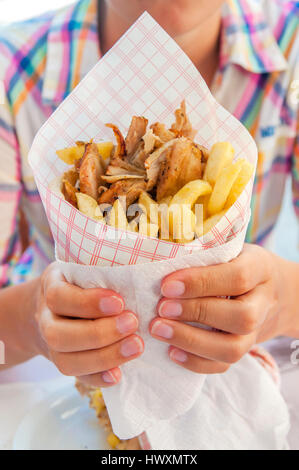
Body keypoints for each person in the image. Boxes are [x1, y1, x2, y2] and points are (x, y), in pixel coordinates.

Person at [0, 0, 298, 391]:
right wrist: (29, 324)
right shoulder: (12, 69)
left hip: (249, 384)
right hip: (66, 398)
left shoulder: (291, 43)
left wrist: (283, 299)